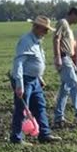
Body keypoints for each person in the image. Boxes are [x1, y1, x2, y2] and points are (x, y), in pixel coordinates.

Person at [9, 16, 61, 145]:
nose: (46, 33)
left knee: (40, 107)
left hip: (35, 81)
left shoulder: (37, 41)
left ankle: (44, 134)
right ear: (36, 27)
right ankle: (16, 138)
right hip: (25, 80)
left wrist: (39, 77)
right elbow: (19, 63)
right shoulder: (26, 41)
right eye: (44, 30)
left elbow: (34, 62)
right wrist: (19, 84)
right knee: (21, 109)